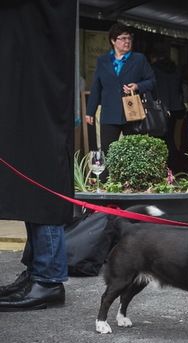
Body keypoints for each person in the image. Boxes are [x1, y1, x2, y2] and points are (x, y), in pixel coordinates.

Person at [0, 0, 75, 311]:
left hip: (37, 82)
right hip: (30, 74)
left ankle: (48, 278)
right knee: (33, 171)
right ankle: (38, 271)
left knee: (40, 171)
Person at [85, 23, 156, 155]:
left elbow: (152, 81)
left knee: (133, 154)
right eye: (123, 38)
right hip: (109, 113)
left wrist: (138, 86)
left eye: (129, 38)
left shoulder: (139, 59)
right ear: (113, 40)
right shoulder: (103, 60)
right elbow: (96, 86)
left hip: (132, 113)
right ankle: (106, 176)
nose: (127, 41)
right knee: (108, 153)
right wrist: (90, 111)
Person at [149, 47, 186, 170]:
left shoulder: (154, 70)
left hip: (160, 108)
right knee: (171, 137)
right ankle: (174, 164)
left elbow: (154, 89)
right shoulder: (175, 69)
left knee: (160, 137)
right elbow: (180, 89)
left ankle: (167, 166)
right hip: (175, 107)